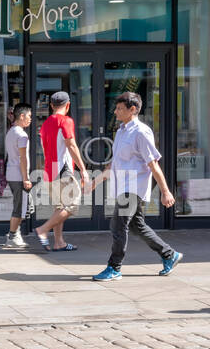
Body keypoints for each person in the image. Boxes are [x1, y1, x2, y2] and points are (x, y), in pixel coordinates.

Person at [89, 93, 182, 281]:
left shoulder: (141, 132)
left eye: (119, 109)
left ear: (133, 110)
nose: (115, 112)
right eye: (116, 108)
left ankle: (114, 267)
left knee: (117, 226)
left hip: (133, 187)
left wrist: (165, 191)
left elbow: (153, 164)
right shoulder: (122, 131)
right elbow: (114, 163)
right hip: (123, 185)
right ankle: (169, 254)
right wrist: (94, 183)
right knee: (137, 226)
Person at [34, 91, 87, 251]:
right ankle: (43, 229)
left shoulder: (45, 124)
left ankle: (59, 242)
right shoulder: (65, 120)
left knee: (60, 207)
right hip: (63, 170)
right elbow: (71, 145)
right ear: (68, 105)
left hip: (49, 171)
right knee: (72, 204)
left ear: (51, 105)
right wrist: (83, 169)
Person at [4, 103, 33, 248]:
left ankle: (15, 234)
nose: (30, 119)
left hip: (12, 173)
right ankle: (12, 236)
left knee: (19, 206)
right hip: (18, 176)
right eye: (29, 116)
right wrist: (26, 178)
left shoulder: (11, 131)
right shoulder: (22, 135)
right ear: (21, 116)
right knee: (20, 208)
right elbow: (23, 158)